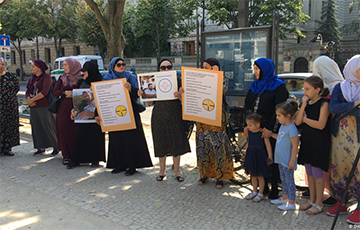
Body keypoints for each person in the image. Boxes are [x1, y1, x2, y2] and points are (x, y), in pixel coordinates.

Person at [96, 57, 152, 176]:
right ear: (112, 66)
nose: (121, 66)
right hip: (114, 112)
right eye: (118, 65)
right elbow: (102, 98)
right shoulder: (107, 79)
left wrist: (130, 89)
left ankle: (132, 165)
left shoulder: (130, 77)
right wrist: (98, 113)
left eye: (123, 64)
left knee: (131, 139)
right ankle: (119, 164)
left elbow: (139, 94)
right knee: (117, 139)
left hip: (130, 111)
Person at [301, 56, 345, 205]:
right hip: (316, 133)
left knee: (324, 165)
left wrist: (306, 119)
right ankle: (317, 196)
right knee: (314, 167)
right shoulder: (319, 89)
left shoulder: (338, 86)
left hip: (331, 132)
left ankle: (330, 195)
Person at [244, 57, 289, 198]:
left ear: (265, 69)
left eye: (257, 69)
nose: (255, 72)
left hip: (270, 129)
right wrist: (247, 125)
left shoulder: (279, 86)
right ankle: (261, 189)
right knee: (258, 158)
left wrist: (270, 128)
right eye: (254, 69)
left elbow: (280, 109)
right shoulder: (255, 86)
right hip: (255, 129)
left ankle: (274, 187)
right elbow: (247, 106)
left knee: (271, 159)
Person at [142, 59, 190, 182]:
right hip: (159, 116)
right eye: (163, 67)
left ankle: (177, 171)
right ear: (159, 69)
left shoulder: (177, 81)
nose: (166, 69)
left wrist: (180, 95)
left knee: (176, 143)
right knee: (160, 143)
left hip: (175, 115)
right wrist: (142, 95)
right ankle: (161, 171)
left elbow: (185, 102)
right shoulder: (154, 82)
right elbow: (149, 102)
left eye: (169, 67)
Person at [326, 54, 360, 225]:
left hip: (357, 137)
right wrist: (354, 105)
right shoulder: (340, 87)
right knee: (340, 168)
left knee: (359, 171)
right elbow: (334, 107)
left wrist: (346, 109)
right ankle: (342, 201)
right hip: (340, 135)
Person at [194, 58, 233, 189]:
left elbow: (221, 90)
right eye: (203, 67)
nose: (204, 69)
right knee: (202, 144)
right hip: (201, 116)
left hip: (216, 115)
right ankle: (204, 173)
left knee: (218, 145)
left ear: (214, 67)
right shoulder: (200, 79)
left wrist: (217, 75)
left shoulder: (223, 78)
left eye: (207, 67)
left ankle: (220, 176)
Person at [294, 76, 331, 215]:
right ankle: (312, 199)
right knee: (309, 170)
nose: (305, 91)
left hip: (319, 142)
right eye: (304, 88)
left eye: (308, 89)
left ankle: (319, 202)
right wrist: (303, 105)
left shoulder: (324, 104)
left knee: (317, 172)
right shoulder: (307, 104)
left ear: (317, 90)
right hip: (308, 140)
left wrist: (305, 119)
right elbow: (297, 122)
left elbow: (321, 125)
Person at [67, 61, 106, 169]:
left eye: (85, 71)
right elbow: (77, 102)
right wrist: (73, 111)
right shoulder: (81, 83)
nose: (82, 74)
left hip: (97, 116)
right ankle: (76, 159)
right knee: (80, 136)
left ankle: (95, 160)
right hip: (83, 118)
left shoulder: (100, 82)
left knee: (95, 137)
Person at [270, 100, 299, 211]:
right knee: (283, 179)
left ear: (287, 116)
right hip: (280, 159)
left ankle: (291, 202)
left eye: (279, 115)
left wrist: (292, 160)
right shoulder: (283, 125)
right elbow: (281, 138)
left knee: (289, 180)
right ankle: (285, 197)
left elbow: (295, 145)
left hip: (287, 160)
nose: (277, 117)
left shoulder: (292, 129)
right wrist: (271, 135)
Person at [53, 58, 82, 165]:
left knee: (75, 130)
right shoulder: (62, 77)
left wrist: (74, 93)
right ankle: (66, 155)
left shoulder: (81, 77)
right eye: (63, 65)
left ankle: (76, 154)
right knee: (63, 129)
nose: (63, 67)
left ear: (72, 66)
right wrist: (65, 93)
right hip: (64, 107)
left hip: (77, 106)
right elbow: (55, 92)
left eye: (65, 65)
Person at [26, 60, 58, 156]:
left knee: (48, 126)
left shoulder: (46, 77)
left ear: (39, 68)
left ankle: (56, 147)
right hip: (33, 106)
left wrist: (32, 100)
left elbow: (45, 91)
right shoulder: (32, 79)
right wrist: (28, 99)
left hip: (44, 106)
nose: (31, 68)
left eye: (33, 66)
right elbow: (28, 90)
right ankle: (40, 147)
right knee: (36, 126)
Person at [244, 113, 273, 202]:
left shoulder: (262, 133)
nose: (248, 127)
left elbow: (268, 145)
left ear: (257, 125)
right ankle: (254, 191)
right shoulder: (249, 132)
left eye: (250, 125)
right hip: (251, 154)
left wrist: (270, 156)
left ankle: (261, 193)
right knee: (253, 175)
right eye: (247, 125)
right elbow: (249, 143)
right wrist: (246, 153)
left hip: (260, 155)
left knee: (260, 175)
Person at [0, 57, 19, 156]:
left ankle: (8, 148)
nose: (0, 66)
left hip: (10, 106)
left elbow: (16, 88)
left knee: (9, 126)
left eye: (2, 64)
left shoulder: (11, 77)